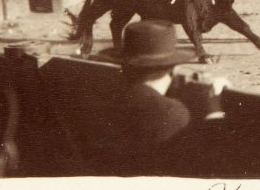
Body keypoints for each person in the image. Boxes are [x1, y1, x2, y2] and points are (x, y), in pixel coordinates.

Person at [78, 20, 194, 176]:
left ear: (124, 65)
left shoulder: (96, 100)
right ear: (173, 69)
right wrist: (215, 113)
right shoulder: (171, 112)